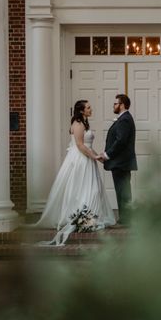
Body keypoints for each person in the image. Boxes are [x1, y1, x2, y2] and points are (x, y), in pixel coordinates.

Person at [34, 100, 116, 244]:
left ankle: (90, 218)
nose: (91, 109)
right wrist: (93, 156)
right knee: (81, 189)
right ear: (82, 110)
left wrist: (98, 157)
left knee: (93, 189)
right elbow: (79, 145)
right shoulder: (78, 124)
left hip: (88, 159)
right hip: (80, 161)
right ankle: (82, 218)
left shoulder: (84, 123)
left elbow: (88, 145)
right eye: (88, 107)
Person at [100, 94, 137, 225]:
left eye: (115, 103)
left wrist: (107, 155)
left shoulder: (125, 119)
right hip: (120, 163)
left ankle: (127, 219)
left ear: (122, 105)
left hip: (121, 163)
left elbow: (121, 141)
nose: (113, 106)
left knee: (123, 191)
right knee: (122, 191)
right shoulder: (123, 119)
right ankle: (125, 218)